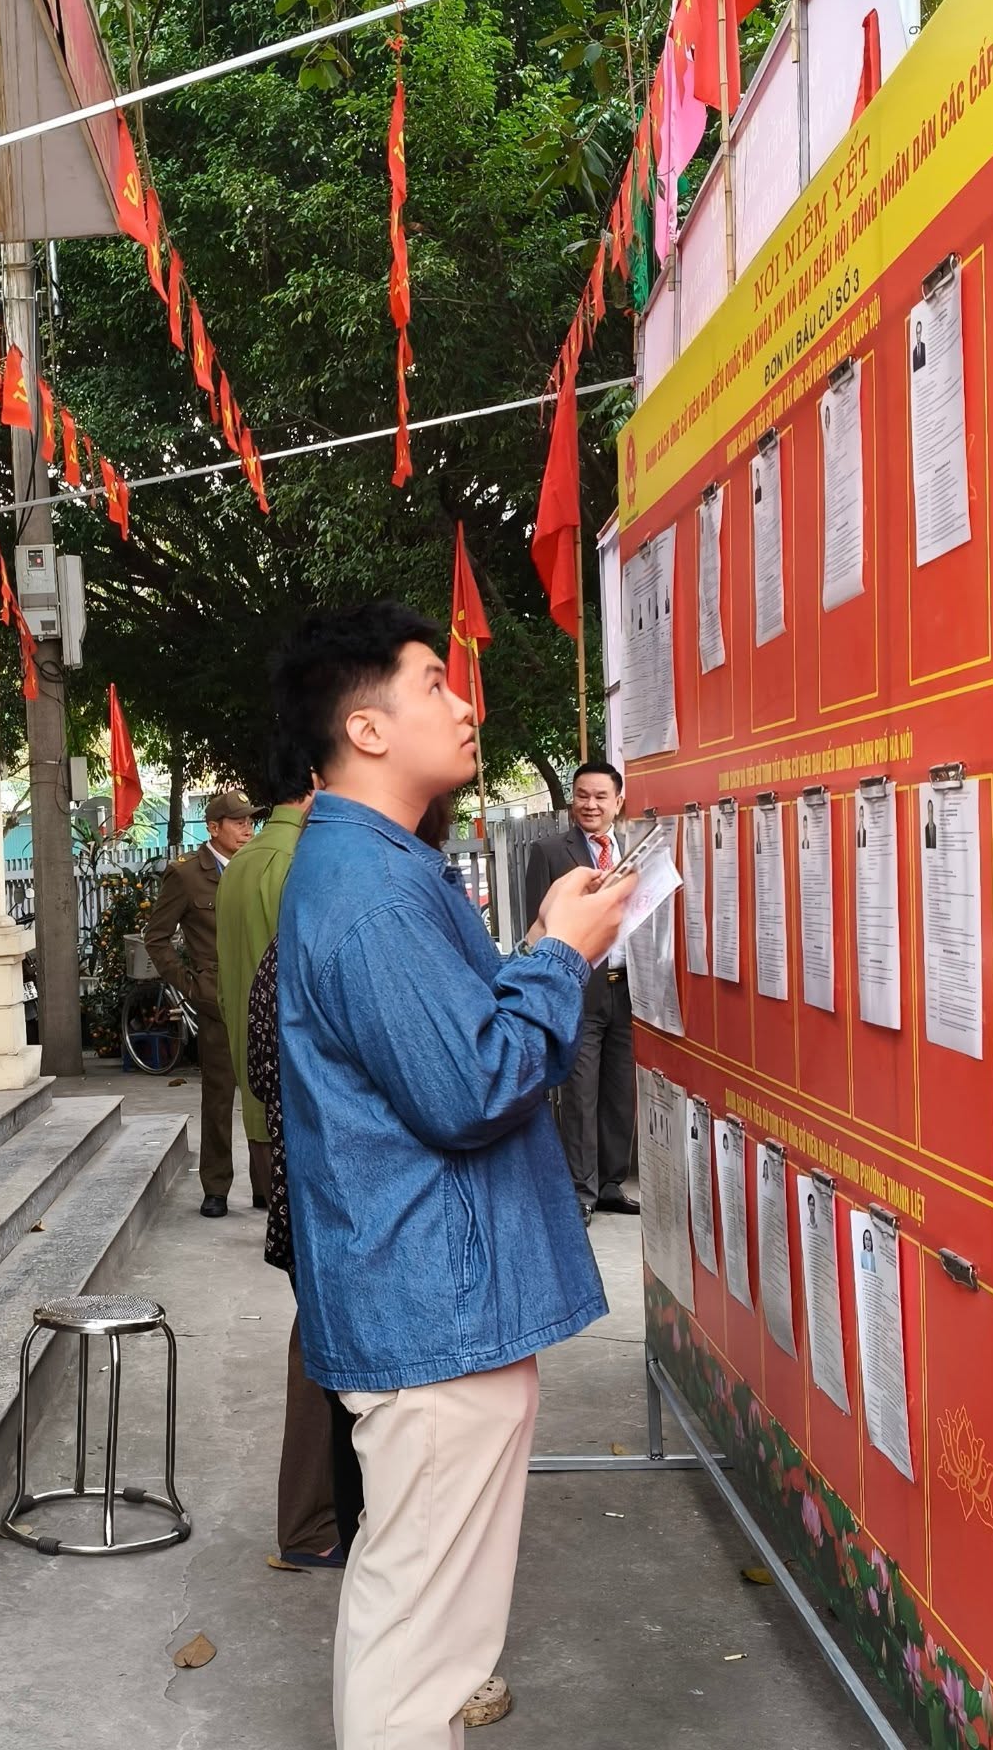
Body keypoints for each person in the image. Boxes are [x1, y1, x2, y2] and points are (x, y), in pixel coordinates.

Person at [271, 601, 631, 1747]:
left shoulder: (378, 864)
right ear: (367, 728)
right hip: (427, 1296)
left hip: (433, 1287)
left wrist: (535, 958)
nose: (464, 702)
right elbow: (470, 1087)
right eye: (435, 682)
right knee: (414, 1621)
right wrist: (558, 959)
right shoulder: (371, 889)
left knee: (429, 1602)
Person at [214, 759, 340, 1574]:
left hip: (275, 1115)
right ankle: (313, 1524)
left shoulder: (248, 864)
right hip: (313, 1129)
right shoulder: (306, 867)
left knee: (320, 1325)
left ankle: (315, 1522)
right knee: (326, 1334)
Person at [524, 760, 641, 1226]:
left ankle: (612, 1183)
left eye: (600, 797)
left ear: (618, 802)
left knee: (619, 1091)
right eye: (582, 795)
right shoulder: (551, 851)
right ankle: (580, 1189)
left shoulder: (632, 850)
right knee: (580, 1091)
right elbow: (539, 923)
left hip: (627, 987)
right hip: (578, 988)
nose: (590, 804)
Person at [145, 789, 256, 1217]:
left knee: (265, 1095)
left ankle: (265, 1187)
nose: (247, 828)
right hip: (216, 1002)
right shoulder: (187, 875)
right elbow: (157, 938)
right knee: (218, 1096)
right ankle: (216, 1187)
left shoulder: (256, 865)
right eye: (238, 821)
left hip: (260, 995)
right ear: (213, 828)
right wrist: (190, 986)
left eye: (250, 821)